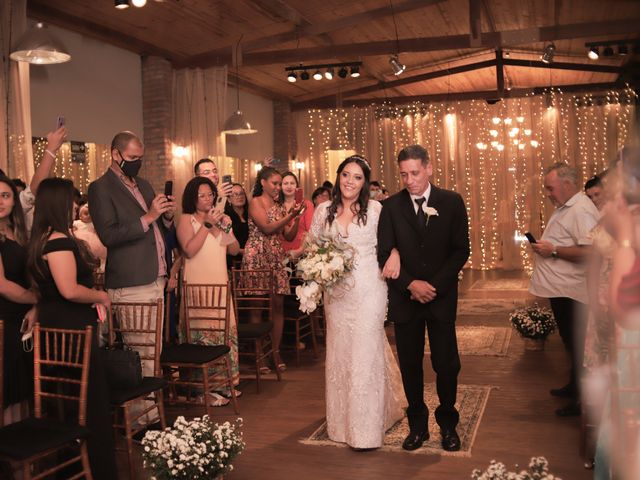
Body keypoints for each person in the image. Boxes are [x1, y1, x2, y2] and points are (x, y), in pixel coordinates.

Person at [377, 144, 470, 452]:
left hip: (440, 298)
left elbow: (461, 250)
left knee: (446, 365)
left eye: (415, 172)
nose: (409, 180)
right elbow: (383, 253)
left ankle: (448, 425)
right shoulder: (390, 207)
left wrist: (434, 286)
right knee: (411, 365)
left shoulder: (452, 201)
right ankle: (417, 427)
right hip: (406, 301)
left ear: (429, 168)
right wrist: (410, 285)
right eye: (404, 174)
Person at [310, 155, 404, 449]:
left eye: (357, 177)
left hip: (369, 288)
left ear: (365, 183)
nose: (350, 181)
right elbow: (313, 244)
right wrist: (314, 268)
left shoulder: (376, 209)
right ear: (338, 177)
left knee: (365, 353)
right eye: (346, 175)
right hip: (336, 293)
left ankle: (366, 430)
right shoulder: (323, 210)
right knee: (341, 353)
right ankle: (341, 425)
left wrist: (396, 254)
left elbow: (395, 240)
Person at [27, 178, 117, 480]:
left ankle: (72, 467)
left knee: (65, 400)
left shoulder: (41, 239)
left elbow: (47, 290)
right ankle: (95, 469)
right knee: (87, 400)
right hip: (72, 327)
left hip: (56, 325)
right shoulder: (59, 241)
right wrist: (101, 296)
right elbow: (69, 289)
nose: (76, 206)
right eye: (71, 200)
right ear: (58, 204)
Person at [528, 162, 599, 417]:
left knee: (579, 345)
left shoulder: (581, 210)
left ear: (567, 185)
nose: (547, 193)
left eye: (550, 188)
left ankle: (582, 400)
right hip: (562, 290)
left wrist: (554, 250)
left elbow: (591, 252)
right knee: (570, 342)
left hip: (574, 292)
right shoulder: (566, 207)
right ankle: (574, 386)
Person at [177, 177, 242, 406]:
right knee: (202, 334)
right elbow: (189, 251)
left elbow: (234, 250)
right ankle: (200, 389)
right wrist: (206, 225)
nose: (207, 199)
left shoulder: (220, 219)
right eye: (201, 195)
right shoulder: (187, 219)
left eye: (210, 194)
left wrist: (225, 227)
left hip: (220, 282)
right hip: (198, 285)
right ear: (192, 198)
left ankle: (222, 384)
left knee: (223, 332)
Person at [241, 166, 305, 372]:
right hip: (257, 255)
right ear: (263, 182)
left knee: (278, 304)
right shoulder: (256, 203)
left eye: (280, 183)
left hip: (276, 255)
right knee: (257, 305)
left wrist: (295, 217)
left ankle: (275, 353)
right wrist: (289, 215)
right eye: (275, 183)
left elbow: (287, 235)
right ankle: (259, 355)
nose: (278, 187)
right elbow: (267, 228)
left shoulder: (278, 206)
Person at [0, 175, 36, 426]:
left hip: (24, 318)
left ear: (14, 200)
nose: (0, 201)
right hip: (3, 319)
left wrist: (36, 307)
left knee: (23, 384)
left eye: (5, 195)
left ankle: (23, 456)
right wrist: (38, 299)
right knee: (8, 384)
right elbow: (2, 285)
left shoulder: (18, 232)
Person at [280, 171, 314, 258]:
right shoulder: (276, 205)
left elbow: (311, 231)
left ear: (297, 186)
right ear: (280, 186)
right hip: (279, 252)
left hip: (300, 252)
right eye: (285, 183)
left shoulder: (306, 204)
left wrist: (300, 250)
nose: (289, 186)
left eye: (292, 183)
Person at [225, 183, 249, 269]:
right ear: (229, 199)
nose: (239, 196)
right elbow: (225, 243)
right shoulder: (226, 217)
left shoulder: (251, 214)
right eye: (235, 194)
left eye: (241, 193)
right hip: (233, 261)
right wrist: (241, 251)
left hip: (251, 258)